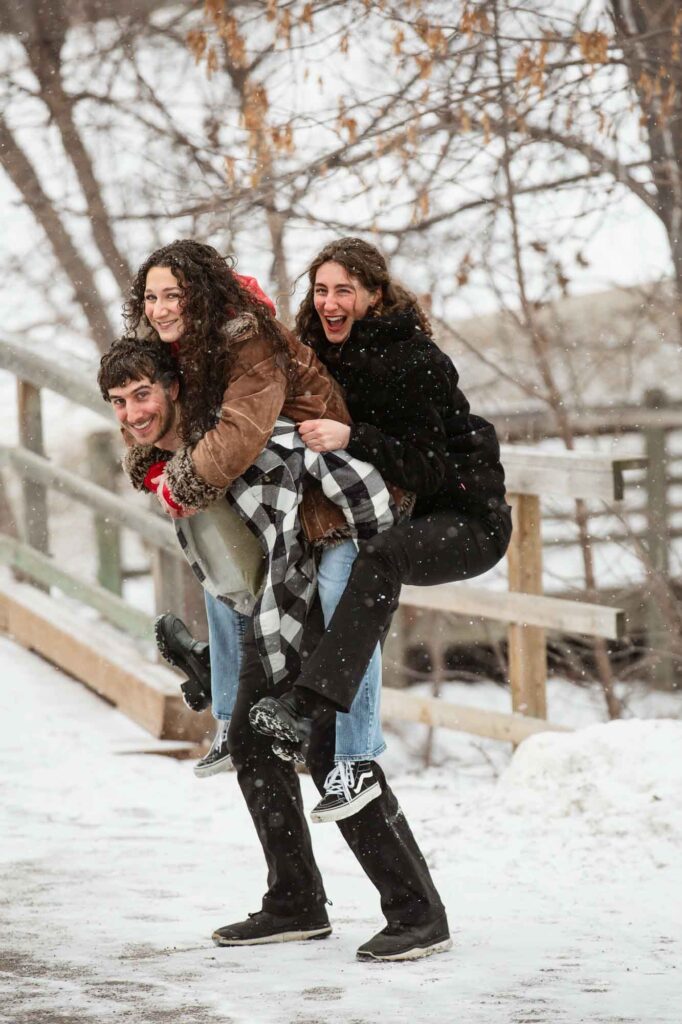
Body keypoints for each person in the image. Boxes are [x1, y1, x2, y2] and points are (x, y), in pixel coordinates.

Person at [112, 239, 451, 962]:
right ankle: (294, 898)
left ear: (202, 295)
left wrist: (175, 479)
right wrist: (148, 442)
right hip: (281, 544)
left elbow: (238, 436)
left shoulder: (246, 342)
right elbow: (158, 413)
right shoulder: (183, 355)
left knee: (326, 729)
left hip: (332, 523)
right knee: (257, 736)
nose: (163, 308)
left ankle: (418, 912)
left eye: (175, 295)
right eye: (152, 298)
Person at [250, 237, 513, 826]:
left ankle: (355, 754)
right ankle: (249, 705)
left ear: (373, 294)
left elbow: (431, 468)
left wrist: (352, 436)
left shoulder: (415, 360)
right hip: (391, 515)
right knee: (338, 564)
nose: (329, 301)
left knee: (378, 560)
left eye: (344, 289)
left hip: (466, 518)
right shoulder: (317, 351)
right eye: (321, 290)